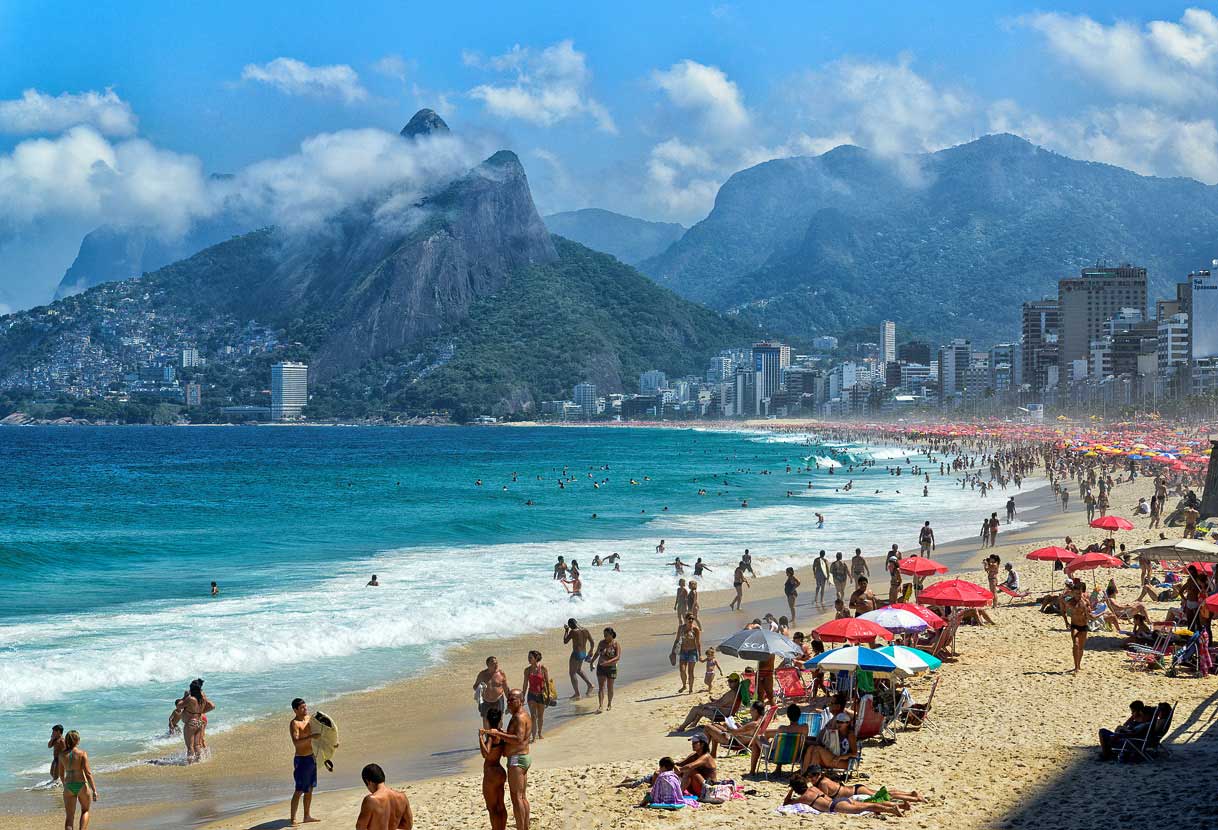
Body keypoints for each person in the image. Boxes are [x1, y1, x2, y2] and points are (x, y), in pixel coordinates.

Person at [481, 690, 532, 830]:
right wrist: (502, 733)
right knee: (522, 797)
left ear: (521, 700)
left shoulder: (518, 717)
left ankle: (522, 828)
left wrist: (498, 734)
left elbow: (518, 739)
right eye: (508, 699)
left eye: (513, 700)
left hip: (517, 759)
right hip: (523, 757)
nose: (509, 702)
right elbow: (517, 736)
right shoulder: (524, 715)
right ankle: (525, 827)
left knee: (517, 799)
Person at [783, 776, 907, 816]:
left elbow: (786, 803)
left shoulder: (804, 797)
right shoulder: (814, 788)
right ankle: (901, 805)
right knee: (869, 803)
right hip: (842, 800)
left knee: (867, 807)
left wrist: (790, 790)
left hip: (835, 806)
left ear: (796, 788)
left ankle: (891, 809)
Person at [59, 730, 98, 830]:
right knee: (85, 811)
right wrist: (94, 790)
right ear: (77, 740)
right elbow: (88, 773)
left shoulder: (61, 755)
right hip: (81, 785)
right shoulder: (82, 754)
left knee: (69, 817)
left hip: (68, 786)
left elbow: (61, 774)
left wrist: (65, 785)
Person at [356, 763, 412, 830]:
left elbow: (360, 827)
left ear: (368, 782)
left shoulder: (370, 800)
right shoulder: (402, 797)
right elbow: (408, 825)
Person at [289, 698, 319, 825]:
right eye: (302, 708)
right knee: (299, 789)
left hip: (312, 757)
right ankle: (293, 818)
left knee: (310, 788)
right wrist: (311, 737)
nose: (305, 709)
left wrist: (332, 743)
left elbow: (323, 732)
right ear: (295, 710)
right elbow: (296, 742)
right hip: (301, 760)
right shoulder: (294, 723)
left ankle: (307, 815)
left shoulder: (309, 719)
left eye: (305, 707)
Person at [675, 675, 742, 731]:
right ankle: (694, 723)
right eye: (728, 681)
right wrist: (714, 701)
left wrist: (707, 705)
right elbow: (724, 702)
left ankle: (682, 727)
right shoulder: (736, 692)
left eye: (731, 681)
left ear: (736, 682)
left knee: (695, 709)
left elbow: (718, 705)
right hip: (724, 711)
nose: (729, 683)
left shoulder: (732, 694)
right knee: (701, 706)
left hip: (720, 714)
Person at [478, 709, 508, 830]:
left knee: (492, 807)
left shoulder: (490, 736)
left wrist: (480, 737)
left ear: (487, 721)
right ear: (500, 720)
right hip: (500, 770)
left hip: (491, 772)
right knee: (500, 805)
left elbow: (486, 753)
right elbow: (505, 751)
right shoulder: (501, 734)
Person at [180, 678, 214, 763]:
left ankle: (190, 764)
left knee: (190, 746)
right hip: (199, 722)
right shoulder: (202, 698)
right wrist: (200, 712)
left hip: (191, 723)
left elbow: (179, 706)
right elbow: (212, 706)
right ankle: (199, 761)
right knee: (197, 745)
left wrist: (184, 697)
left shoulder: (191, 699)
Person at [562, 619, 594, 699]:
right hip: (583, 653)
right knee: (578, 670)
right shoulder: (585, 630)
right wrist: (591, 651)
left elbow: (565, 641)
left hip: (576, 654)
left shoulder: (573, 632)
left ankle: (577, 693)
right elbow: (592, 642)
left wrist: (566, 631)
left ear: (570, 625)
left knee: (572, 673)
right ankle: (590, 684)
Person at [592, 627, 621, 713]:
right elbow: (597, 653)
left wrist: (608, 662)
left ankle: (609, 704)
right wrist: (592, 662)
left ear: (611, 635)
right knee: (601, 687)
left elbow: (617, 657)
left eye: (606, 635)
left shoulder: (616, 644)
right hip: (601, 667)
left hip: (611, 668)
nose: (604, 636)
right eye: (604, 635)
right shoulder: (601, 643)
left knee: (610, 687)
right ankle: (600, 705)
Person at [523, 651, 550, 741]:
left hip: (541, 695)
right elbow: (525, 684)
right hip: (531, 695)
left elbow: (547, 682)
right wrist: (523, 695)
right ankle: (533, 736)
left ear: (536, 658)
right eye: (528, 657)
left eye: (530, 657)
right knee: (533, 716)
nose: (529, 659)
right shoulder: (527, 670)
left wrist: (549, 695)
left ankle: (540, 733)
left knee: (540, 716)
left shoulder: (543, 669)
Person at [1065, 581, 1091, 673]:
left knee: (1081, 647)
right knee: (1076, 644)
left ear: (1081, 592)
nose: (1078, 595)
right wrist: (1066, 622)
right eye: (1076, 593)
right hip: (1074, 626)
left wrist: (1088, 615)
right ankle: (1076, 666)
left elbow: (1089, 614)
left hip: (1084, 626)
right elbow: (1063, 610)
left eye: (1079, 593)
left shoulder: (1085, 602)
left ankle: (1078, 665)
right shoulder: (1070, 602)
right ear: (1073, 593)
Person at [672, 613, 702, 694]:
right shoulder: (681, 628)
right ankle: (684, 685)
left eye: (692, 618)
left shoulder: (695, 629)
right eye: (689, 618)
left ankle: (691, 689)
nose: (691, 620)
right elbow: (677, 640)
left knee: (690, 672)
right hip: (683, 651)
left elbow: (698, 643)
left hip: (692, 652)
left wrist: (700, 655)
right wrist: (673, 652)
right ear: (685, 619)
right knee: (682, 670)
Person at [474, 657, 508, 727]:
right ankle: (488, 736)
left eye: (496, 663)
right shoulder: (482, 674)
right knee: (485, 719)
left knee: (499, 720)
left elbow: (506, 688)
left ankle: (498, 736)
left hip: (498, 700)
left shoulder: (501, 673)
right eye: (493, 663)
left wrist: (510, 700)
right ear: (488, 664)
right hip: (485, 700)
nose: (495, 665)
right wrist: (479, 687)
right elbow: (475, 686)